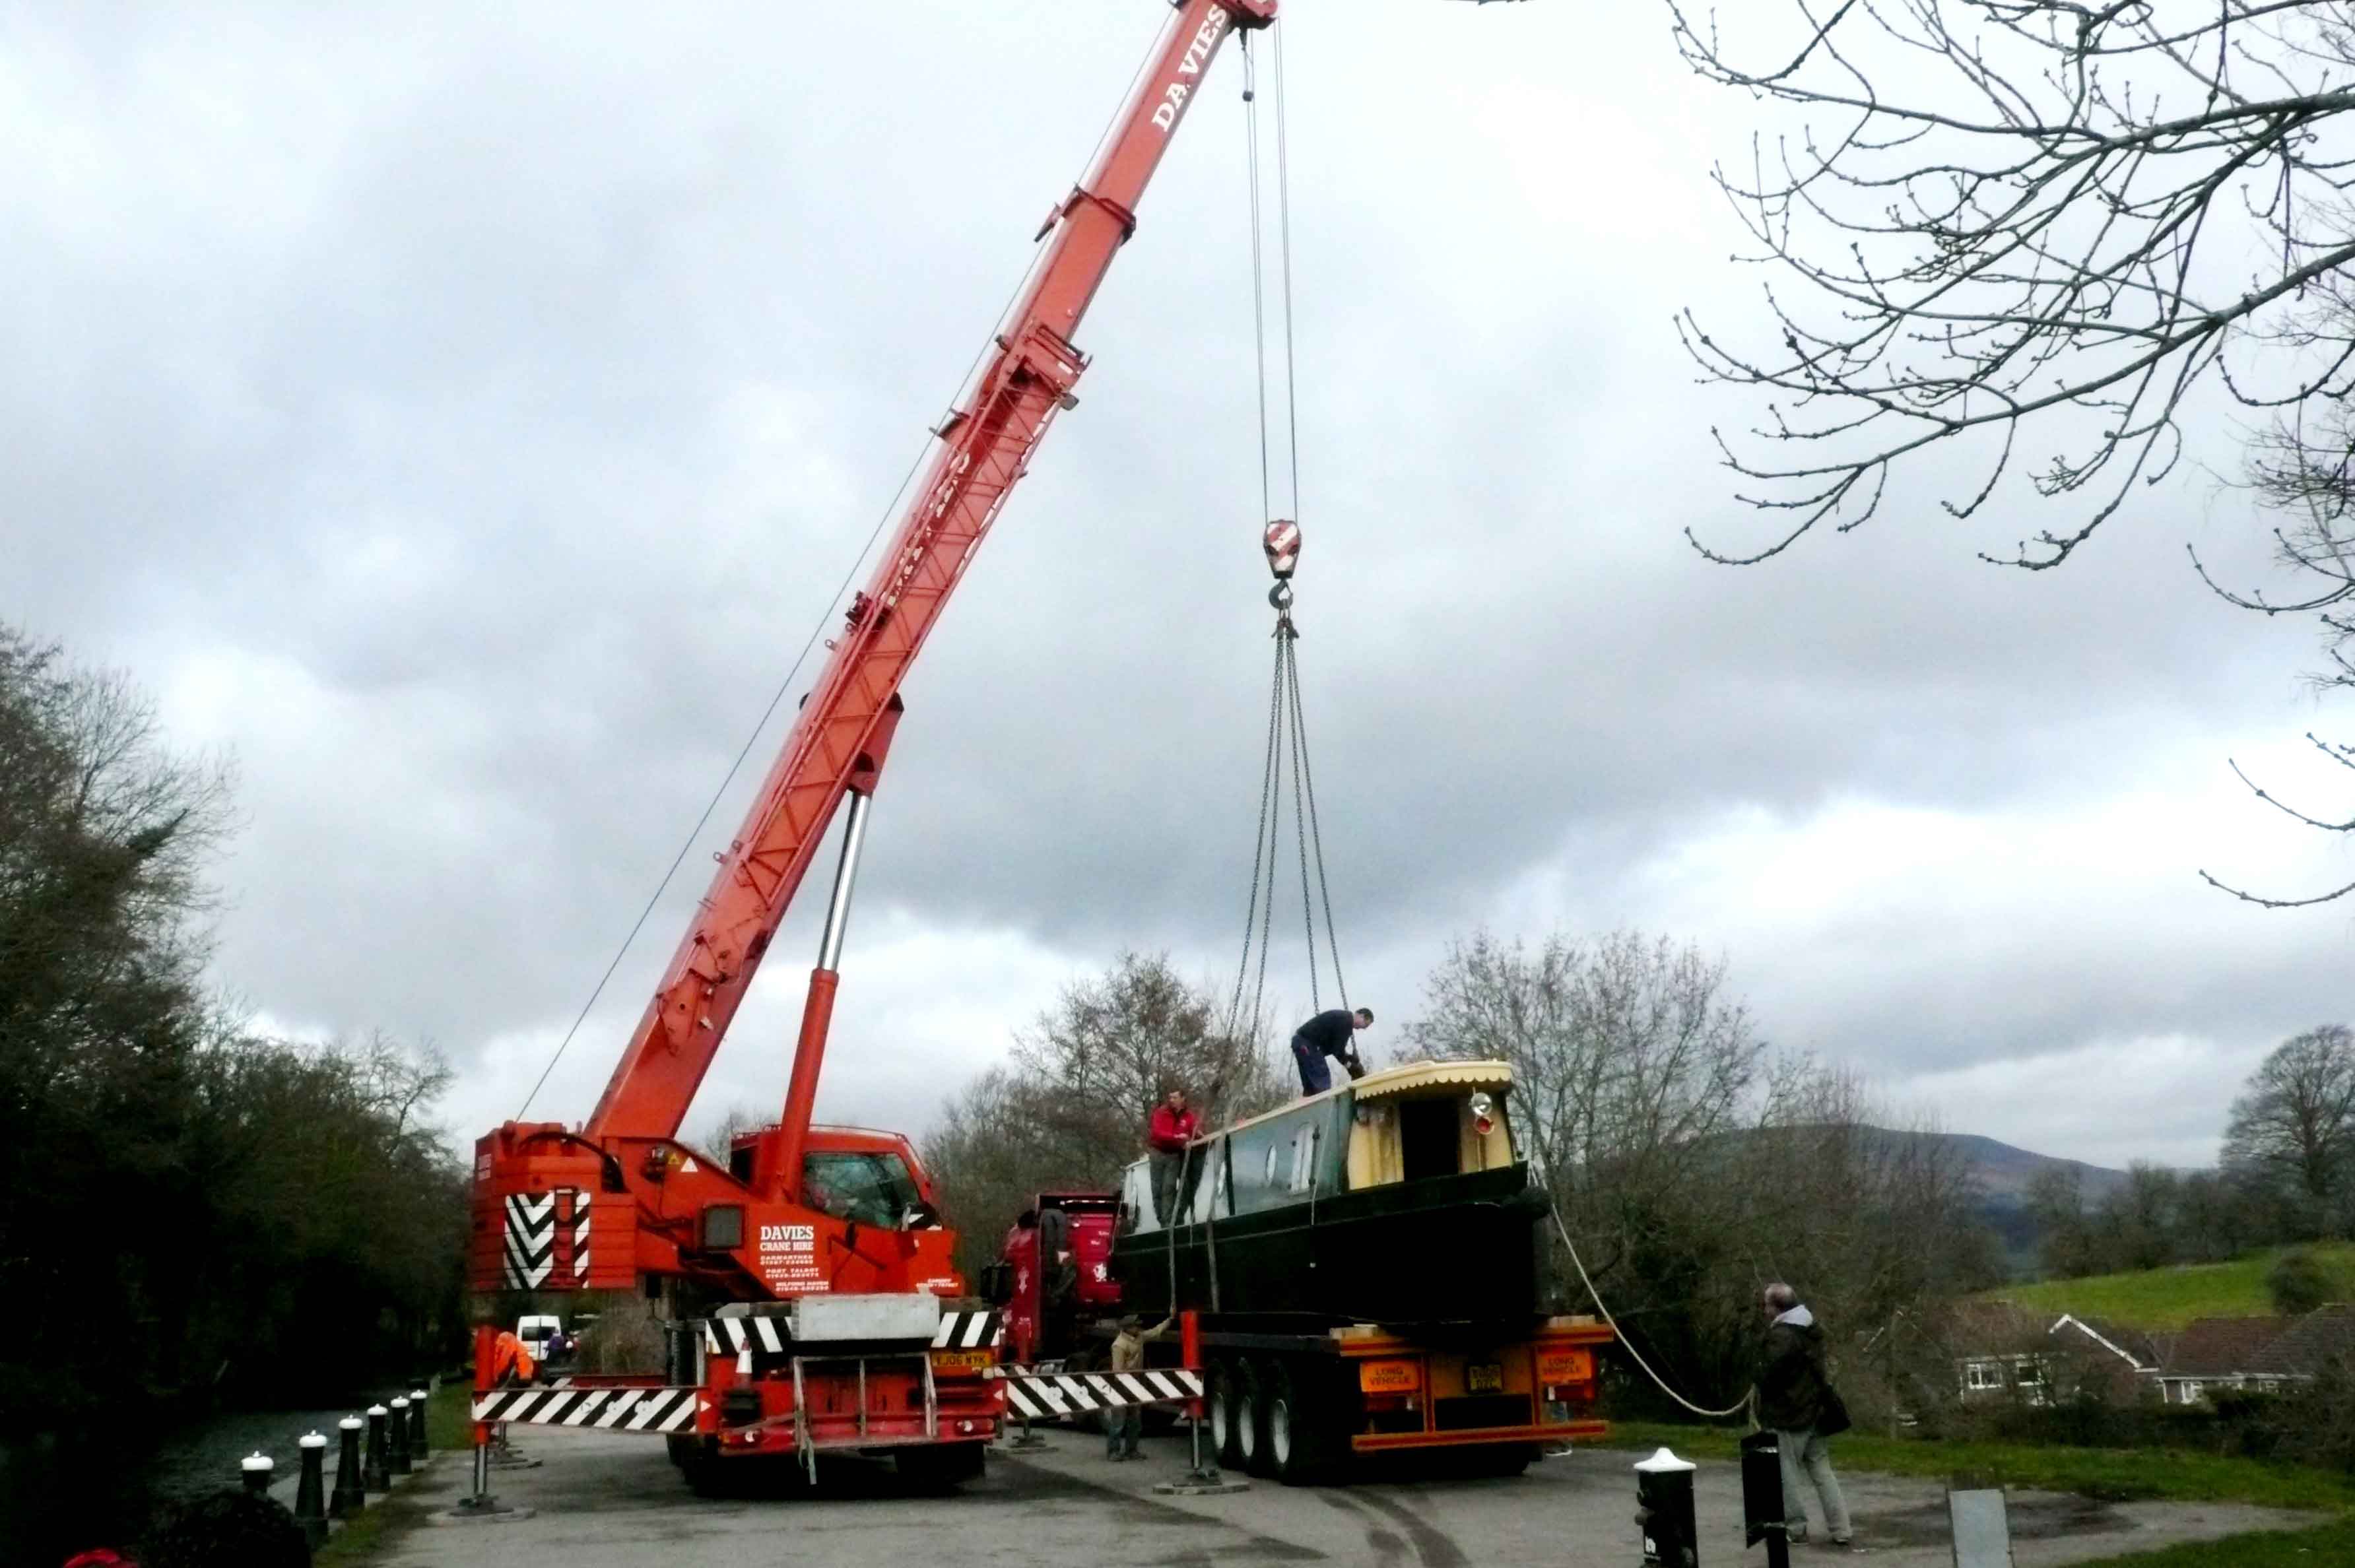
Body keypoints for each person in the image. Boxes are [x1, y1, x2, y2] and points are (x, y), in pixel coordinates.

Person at [1758, 1282, 1856, 1551]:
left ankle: (1796, 1528)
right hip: (1815, 1411)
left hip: (1789, 1414)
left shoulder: (1781, 1336)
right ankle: (1841, 1529)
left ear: (1776, 1307)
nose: (1764, 1310)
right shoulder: (1811, 1330)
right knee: (1822, 1471)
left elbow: (1768, 1375)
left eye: (1766, 1305)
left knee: (1787, 1472)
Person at [1104, 1314, 1174, 1460]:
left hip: (1135, 1383)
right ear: (1128, 1328)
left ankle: (1132, 1450)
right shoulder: (1119, 1345)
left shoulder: (1139, 1337)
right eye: (1136, 1326)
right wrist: (1127, 1385)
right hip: (1121, 1385)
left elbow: (1155, 1331)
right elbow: (1118, 1370)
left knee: (1135, 1421)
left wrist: (1169, 1320)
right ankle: (1113, 1451)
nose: (1139, 1328)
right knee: (1119, 1421)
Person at [1146, 1086, 1201, 1223]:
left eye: (1175, 1097)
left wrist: (1200, 1137)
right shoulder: (1161, 1113)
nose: (1172, 1100)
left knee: (1169, 1188)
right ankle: (1162, 1220)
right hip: (1158, 1153)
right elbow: (1157, 1134)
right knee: (1157, 1189)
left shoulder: (1188, 1116)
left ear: (1183, 1099)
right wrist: (1177, 1137)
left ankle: (1171, 1219)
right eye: (1170, 1097)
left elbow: (1195, 1132)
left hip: (1174, 1155)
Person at [1289, 1006, 1372, 1094]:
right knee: (1322, 1079)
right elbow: (1338, 1050)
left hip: (1301, 1043)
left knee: (1311, 1087)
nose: (1364, 1028)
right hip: (1307, 1044)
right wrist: (1350, 1066)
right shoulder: (1347, 1021)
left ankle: (1309, 1100)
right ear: (1361, 1016)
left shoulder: (1342, 1018)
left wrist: (1348, 1058)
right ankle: (1322, 1103)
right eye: (1365, 1025)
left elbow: (1334, 1048)